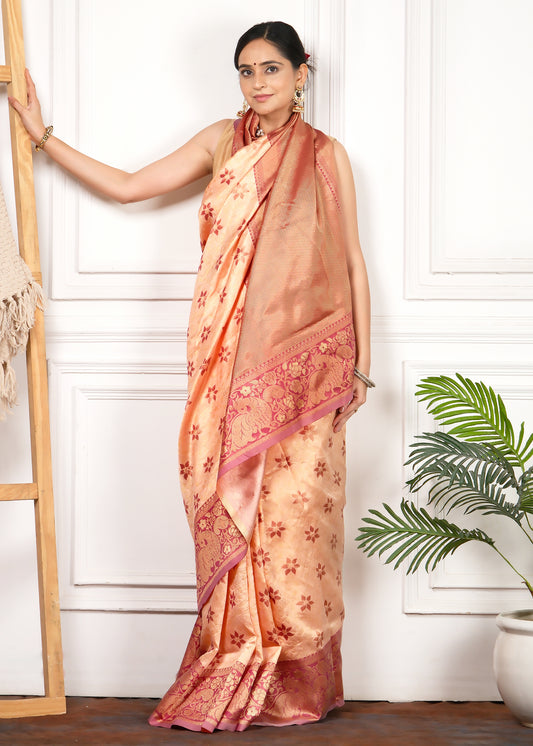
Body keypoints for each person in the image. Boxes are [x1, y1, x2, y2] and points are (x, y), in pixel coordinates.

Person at [10, 20, 372, 733]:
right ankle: (233, 656)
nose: (257, 82)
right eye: (245, 70)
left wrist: (358, 364)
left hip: (302, 370)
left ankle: (294, 681)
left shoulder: (326, 157)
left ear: (304, 72)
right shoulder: (219, 142)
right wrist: (42, 136)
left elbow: (352, 262)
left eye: (271, 68)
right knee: (220, 493)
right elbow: (126, 187)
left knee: (294, 518)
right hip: (219, 356)